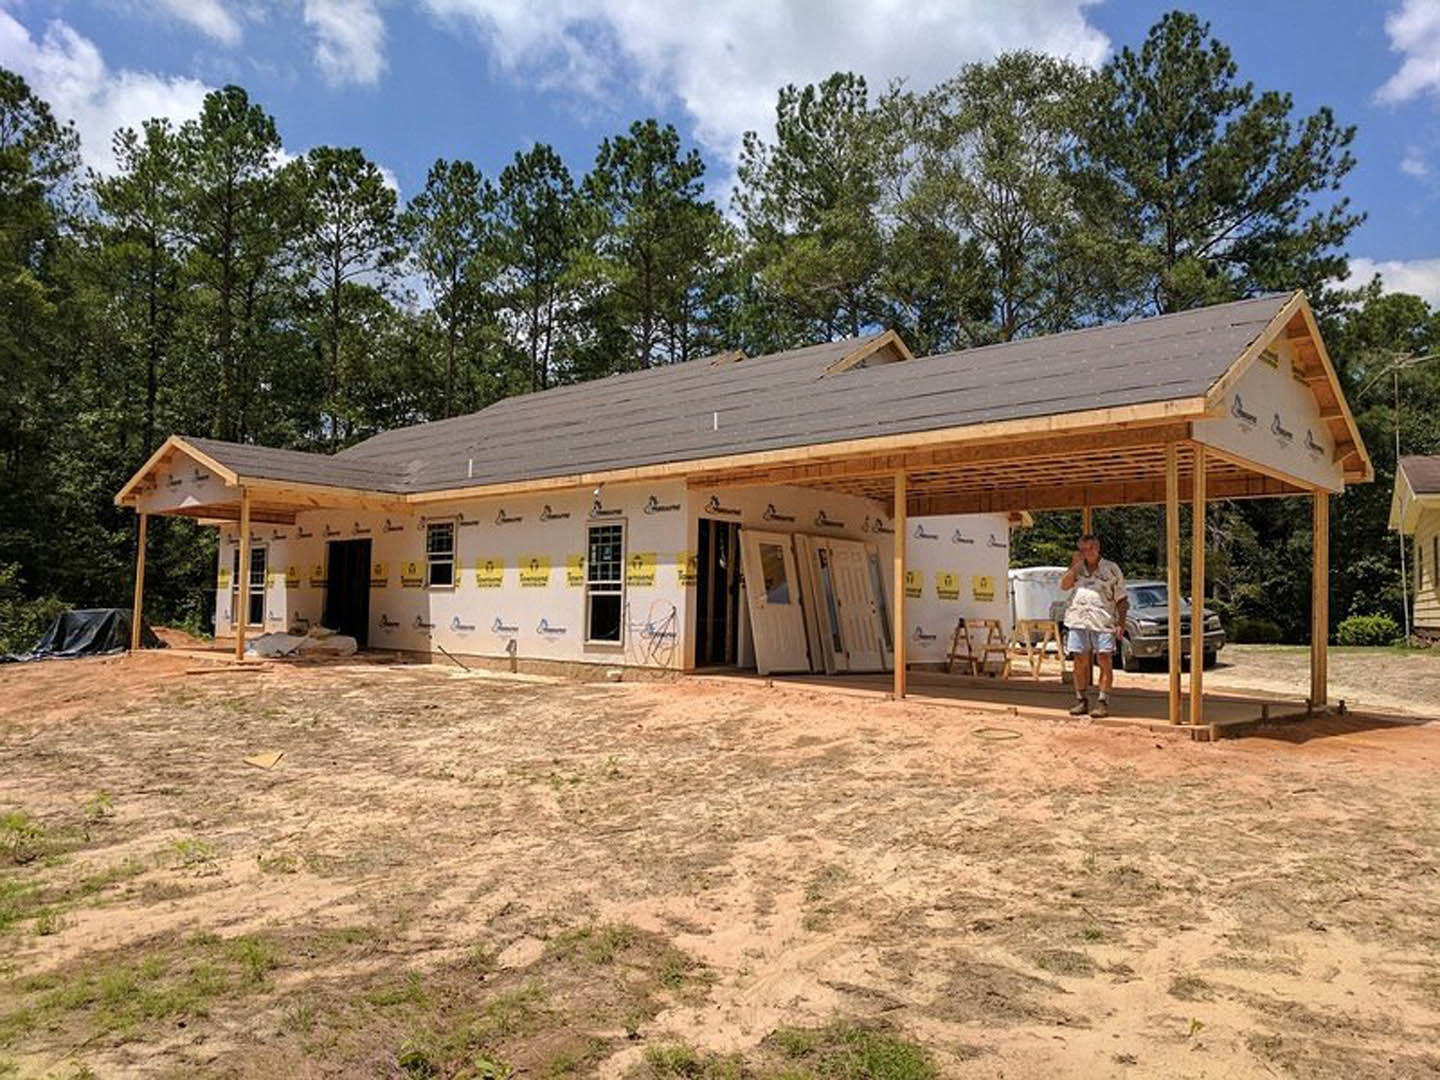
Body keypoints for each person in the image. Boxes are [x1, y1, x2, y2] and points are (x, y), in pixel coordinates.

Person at [1060, 534, 1128, 718]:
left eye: (1090, 548)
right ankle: (1081, 699)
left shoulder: (1111, 569)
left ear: (1097, 548)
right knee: (1080, 660)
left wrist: (1121, 622)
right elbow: (1064, 586)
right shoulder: (1076, 569)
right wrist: (1074, 566)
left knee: (1104, 659)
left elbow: (1122, 599)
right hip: (1078, 619)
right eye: (1082, 549)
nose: (1086, 553)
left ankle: (1103, 701)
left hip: (1103, 620)